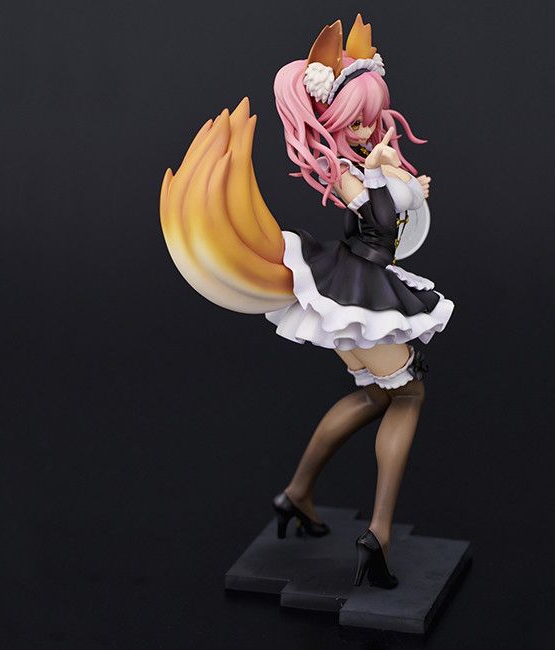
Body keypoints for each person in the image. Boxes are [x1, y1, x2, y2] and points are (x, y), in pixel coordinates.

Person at [160, 15, 454, 589]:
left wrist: (402, 183)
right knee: (409, 394)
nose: (368, 128)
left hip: (357, 286)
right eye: (358, 119)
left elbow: (396, 221)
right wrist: (388, 177)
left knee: (375, 395)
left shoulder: (363, 162)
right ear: (333, 117)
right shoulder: (345, 170)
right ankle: (379, 534)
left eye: (372, 117)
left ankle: (296, 494)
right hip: (356, 289)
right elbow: (377, 219)